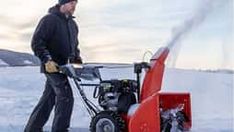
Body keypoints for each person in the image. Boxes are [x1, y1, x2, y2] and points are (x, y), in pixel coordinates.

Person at [24, 0, 82, 131]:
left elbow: (75, 48)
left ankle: (32, 129)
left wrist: (77, 63)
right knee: (66, 97)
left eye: (76, 3)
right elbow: (37, 43)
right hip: (52, 67)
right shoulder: (49, 20)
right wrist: (47, 60)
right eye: (71, 3)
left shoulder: (73, 25)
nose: (74, 6)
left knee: (48, 99)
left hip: (65, 68)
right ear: (62, 3)